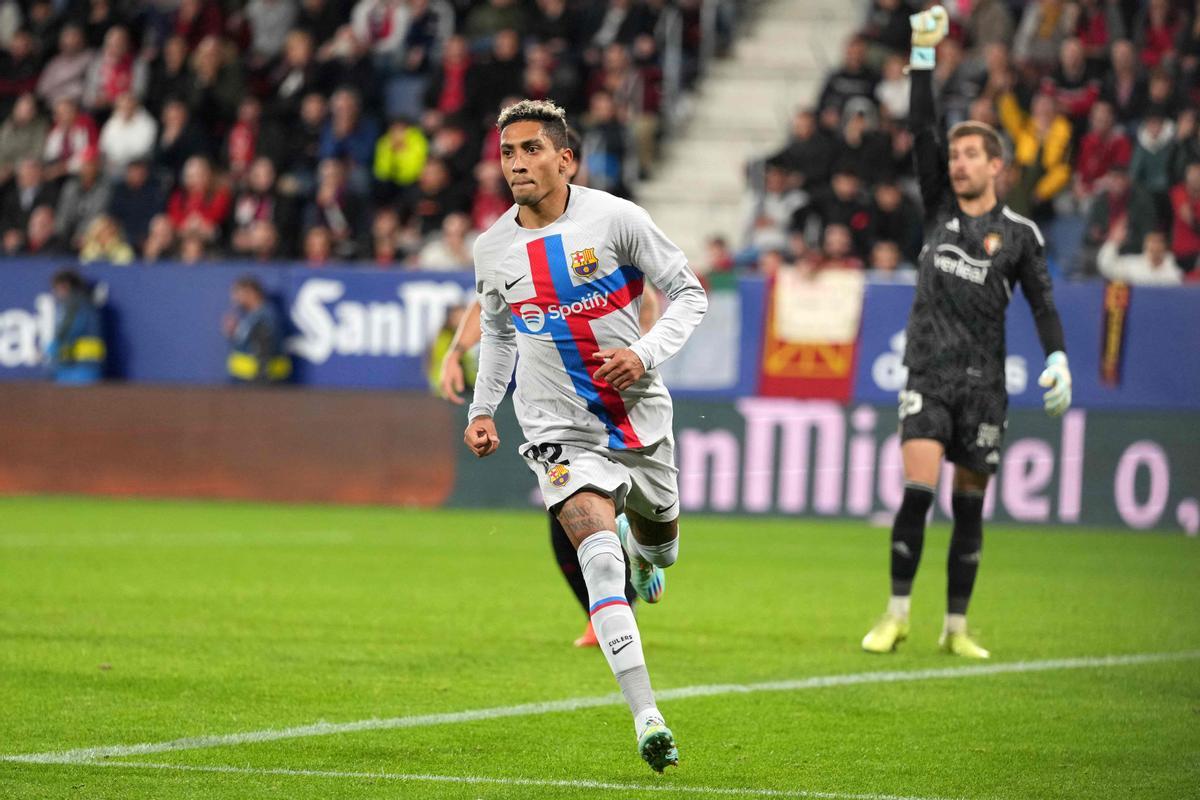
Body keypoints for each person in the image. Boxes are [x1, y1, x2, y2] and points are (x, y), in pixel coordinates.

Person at [464, 99, 706, 771]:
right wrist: (483, 410)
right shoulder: (493, 249)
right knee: (596, 557)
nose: (516, 163)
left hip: (636, 418)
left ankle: (648, 552)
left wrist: (647, 354)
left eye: (531, 150)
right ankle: (647, 716)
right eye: (508, 152)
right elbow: (499, 331)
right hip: (556, 430)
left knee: (662, 546)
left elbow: (690, 293)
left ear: (564, 158)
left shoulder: (617, 219)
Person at [861, 7, 1072, 660]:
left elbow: (1040, 303)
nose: (956, 163)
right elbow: (922, 126)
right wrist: (923, 55)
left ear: (996, 166)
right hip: (928, 375)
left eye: (969, 155)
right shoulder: (939, 213)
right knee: (919, 493)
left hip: (986, 388)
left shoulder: (1020, 236)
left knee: (971, 509)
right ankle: (897, 615)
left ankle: (956, 627)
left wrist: (1059, 357)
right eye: (953, 155)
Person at [440, 287, 659, 648]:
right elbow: (487, 305)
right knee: (564, 522)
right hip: (551, 412)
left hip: (606, 399)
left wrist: (642, 351)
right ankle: (609, 609)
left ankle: (637, 550)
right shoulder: (518, 256)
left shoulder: (586, 249)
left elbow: (646, 297)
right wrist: (457, 351)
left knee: (614, 505)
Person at [222, 276, 291, 383]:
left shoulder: (265, 317)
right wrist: (234, 333)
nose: (234, 298)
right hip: (245, 379)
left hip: (258, 381)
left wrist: (261, 379)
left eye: (237, 293)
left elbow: (264, 350)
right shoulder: (250, 315)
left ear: (250, 292)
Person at [47, 268, 104, 384]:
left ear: (65, 286)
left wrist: (52, 348)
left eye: (56, 288)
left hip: (75, 369)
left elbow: (69, 330)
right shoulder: (88, 303)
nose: (55, 293)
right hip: (90, 367)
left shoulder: (73, 304)